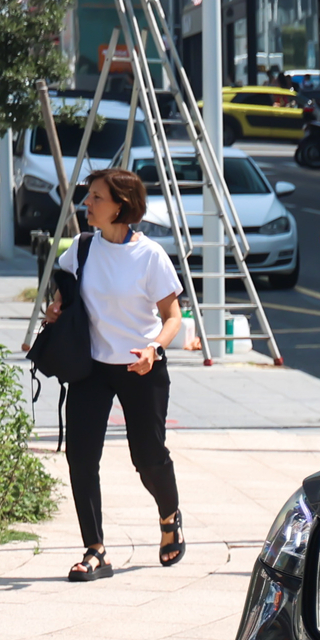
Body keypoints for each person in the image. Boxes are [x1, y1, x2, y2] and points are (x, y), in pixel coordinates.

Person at [44, 167, 187, 582]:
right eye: (88, 197)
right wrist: (56, 306)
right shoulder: (83, 247)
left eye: (96, 198)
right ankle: (96, 549)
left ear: (121, 206)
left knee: (147, 457)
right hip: (91, 367)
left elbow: (173, 316)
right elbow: (64, 290)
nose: (87, 204)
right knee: (81, 457)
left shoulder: (150, 256)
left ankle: (169, 515)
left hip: (140, 366)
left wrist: (154, 348)